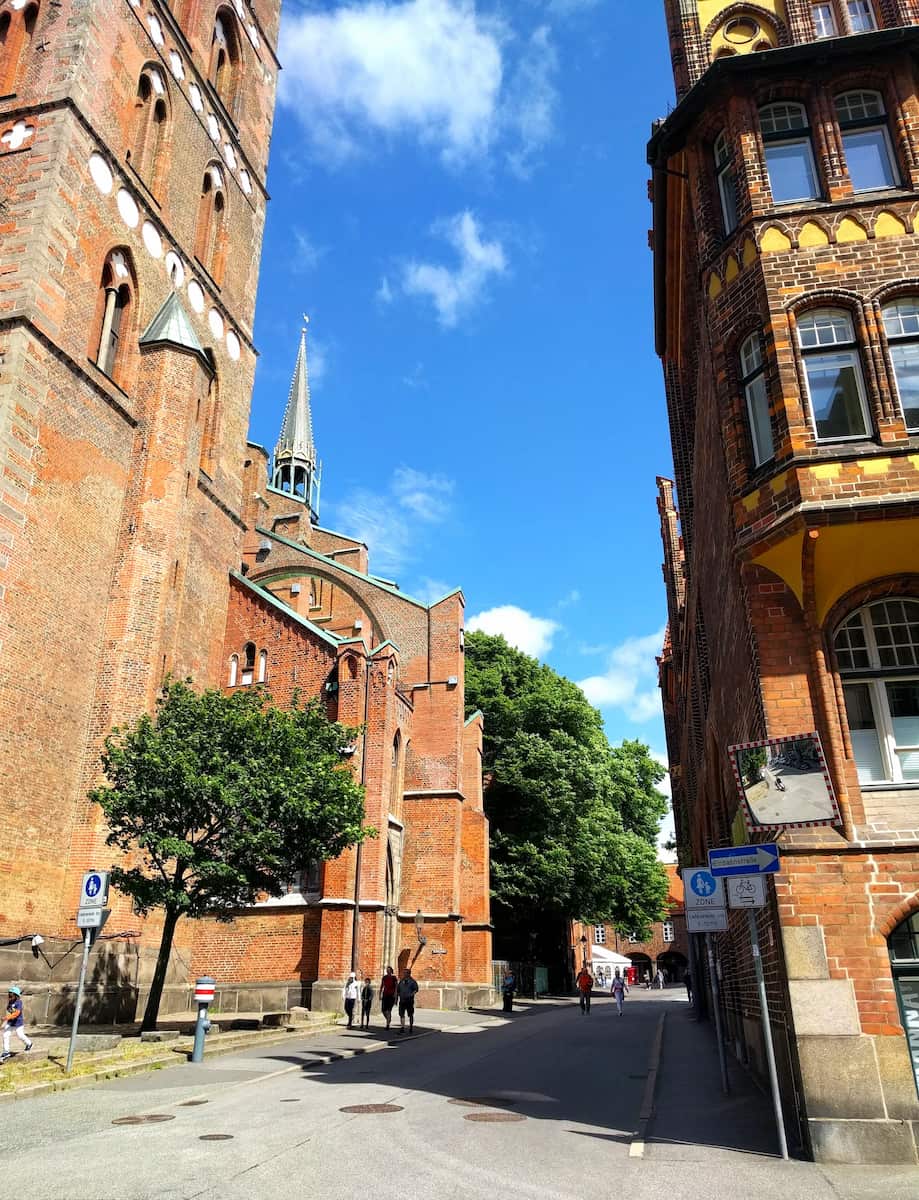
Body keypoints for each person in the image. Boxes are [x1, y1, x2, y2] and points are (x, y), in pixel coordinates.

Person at [1, 986, 33, 1062]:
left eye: (11, 995)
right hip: (11, 1023)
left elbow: (16, 1013)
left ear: (16, 996)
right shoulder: (10, 1002)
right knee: (5, 1035)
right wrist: (5, 1021)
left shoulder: (19, 1003)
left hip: (18, 1023)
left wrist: (6, 1018)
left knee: (20, 1035)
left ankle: (29, 1043)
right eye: (9, 995)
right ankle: (6, 1052)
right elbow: (9, 1011)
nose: (9, 997)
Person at [397, 967, 419, 1034]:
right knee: (401, 1014)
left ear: (409, 974)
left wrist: (411, 994)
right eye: (404, 973)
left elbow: (416, 990)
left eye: (405, 973)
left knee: (410, 1014)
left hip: (409, 1000)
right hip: (402, 1000)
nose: (404, 974)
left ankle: (411, 1027)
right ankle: (402, 1027)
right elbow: (398, 990)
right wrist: (397, 997)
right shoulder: (401, 981)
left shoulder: (413, 981)